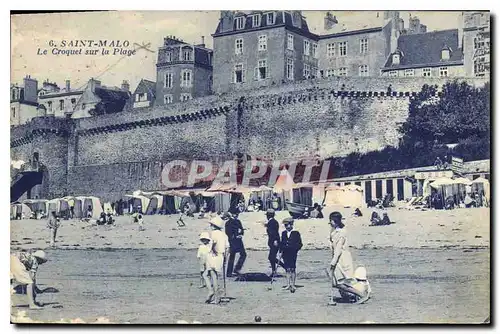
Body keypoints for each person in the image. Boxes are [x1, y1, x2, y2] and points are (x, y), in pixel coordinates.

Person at [327, 211, 354, 306]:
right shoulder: (333, 231)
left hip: (342, 258)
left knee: (341, 281)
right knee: (335, 281)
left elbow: (338, 249)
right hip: (336, 257)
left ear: (336, 221)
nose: (330, 223)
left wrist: (332, 263)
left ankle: (359, 294)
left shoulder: (342, 232)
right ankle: (347, 296)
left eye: (332, 221)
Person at [204, 216, 229, 304]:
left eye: (211, 225)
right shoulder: (224, 235)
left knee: (212, 276)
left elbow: (212, 244)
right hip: (221, 256)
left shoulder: (213, 234)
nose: (210, 226)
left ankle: (215, 295)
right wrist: (225, 258)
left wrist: (212, 250)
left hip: (213, 255)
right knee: (207, 274)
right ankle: (213, 292)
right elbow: (227, 248)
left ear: (214, 226)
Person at [279, 217, 303, 293]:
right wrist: (280, 251)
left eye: (288, 225)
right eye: (285, 225)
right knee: (287, 269)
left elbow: (300, 244)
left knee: (292, 268)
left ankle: (293, 284)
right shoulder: (283, 233)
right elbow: (282, 243)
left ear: (291, 225)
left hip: (292, 253)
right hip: (285, 253)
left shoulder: (296, 233)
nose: (287, 227)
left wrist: (295, 249)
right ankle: (288, 284)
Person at [224, 212, 246, 277]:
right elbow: (228, 233)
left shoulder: (238, 221)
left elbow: (242, 230)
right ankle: (231, 271)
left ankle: (235, 270)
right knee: (233, 256)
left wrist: (241, 234)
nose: (236, 215)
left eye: (237, 214)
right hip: (233, 241)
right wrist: (235, 236)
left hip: (238, 241)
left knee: (242, 254)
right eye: (235, 214)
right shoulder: (228, 223)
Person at [265, 209, 281, 277]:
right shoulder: (272, 222)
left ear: (268, 215)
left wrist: (275, 240)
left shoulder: (272, 222)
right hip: (273, 241)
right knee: (272, 257)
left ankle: (284, 267)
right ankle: (274, 271)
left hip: (274, 242)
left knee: (271, 257)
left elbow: (274, 232)